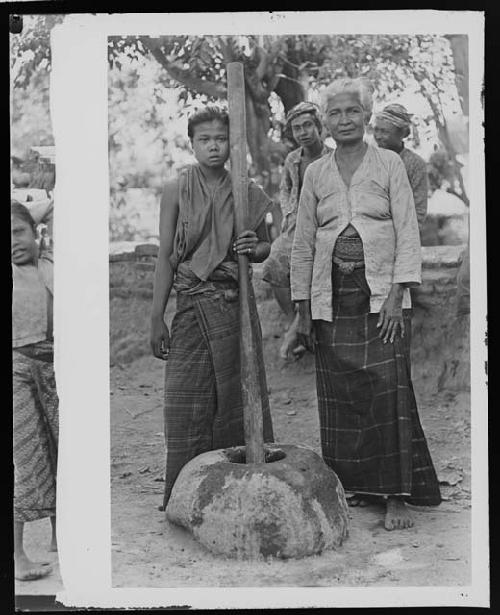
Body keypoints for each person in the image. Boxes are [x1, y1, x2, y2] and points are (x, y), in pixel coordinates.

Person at [291, 78, 441, 531]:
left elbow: (408, 229)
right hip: (332, 296)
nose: (343, 121)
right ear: (325, 121)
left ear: (366, 115)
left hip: (383, 295)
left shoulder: (390, 163)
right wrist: (302, 311)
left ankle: (396, 495)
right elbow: (302, 242)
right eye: (334, 114)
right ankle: (356, 485)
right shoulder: (316, 172)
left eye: (352, 112)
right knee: (343, 394)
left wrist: (398, 293)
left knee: (388, 387)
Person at [150, 106, 274, 509]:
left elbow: (263, 247)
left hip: (233, 304)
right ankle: (185, 494)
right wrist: (157, 316)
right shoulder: (177, 189)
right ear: (192, 144)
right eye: (205, 139)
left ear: (232, 143)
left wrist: (251, 247)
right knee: (184, 398)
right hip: (189, 303)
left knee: (238, 397)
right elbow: (166, 255)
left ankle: (236, 488)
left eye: (221, 138)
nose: (214, 146)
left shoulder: (247, 190)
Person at [263, 102, 332, 360]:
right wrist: (290, 215)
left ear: (318, 127)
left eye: (307, 126)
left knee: (319, 267)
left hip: (326, 225)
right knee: (273, 264)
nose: (302, 132)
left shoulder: (332, 157)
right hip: (296, 226)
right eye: (296, 128)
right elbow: (286, 189)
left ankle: (300, 328)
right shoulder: (293, 159)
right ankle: (296, 322)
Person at [12, 200, 58, 580]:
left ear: (36, 231)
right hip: (15, 370)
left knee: (63, 453)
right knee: (25, 459)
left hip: (57, 367)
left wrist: (37, 217)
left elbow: (57, 205)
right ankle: (18, 557)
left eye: (17, 232)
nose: (12, 242)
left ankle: (64, 537)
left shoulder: (51, 265)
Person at [373, 103, 428, 235]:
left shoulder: (415, 164)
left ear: (402, 134)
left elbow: (418, 211)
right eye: (376, 130)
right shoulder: (368, 159)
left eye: (385, 131)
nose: (378, 136)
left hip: (402, 236)